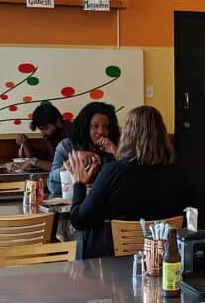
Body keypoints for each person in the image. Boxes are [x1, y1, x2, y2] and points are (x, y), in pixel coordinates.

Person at [63, 105, 194, 257]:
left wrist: (79, 184)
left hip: (110, 266)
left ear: (128, 135)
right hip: (163, 259)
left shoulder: (112, 172)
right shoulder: (179, 174)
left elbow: (79, 221)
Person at [47, 101, 120, 197]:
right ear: (85, 126)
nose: (101, 131)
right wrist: (71, 163)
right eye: (95, 126)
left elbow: (128, 182)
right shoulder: (67, 146)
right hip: (74, 204)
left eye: (106, 127)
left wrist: (116, 152)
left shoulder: (115, 145)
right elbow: (52, 185)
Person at [14, 103, 73, 173]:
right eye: (41, 130)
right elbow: (38, 158)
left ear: (57, 122)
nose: (42, 133)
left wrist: (33, 162)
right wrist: (25, 143)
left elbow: (64, 167)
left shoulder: (72, 133)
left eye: (45, 128)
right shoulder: (50, 136)